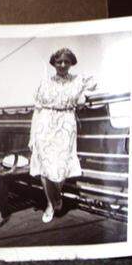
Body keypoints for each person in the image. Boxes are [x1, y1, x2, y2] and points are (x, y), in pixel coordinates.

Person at [28, 48, 98, 223]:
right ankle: (51, 204)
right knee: (45, 167)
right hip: (44, 124)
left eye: (66, 61)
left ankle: (56, 197)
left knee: (60, 166)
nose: (63, 65)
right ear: (53, 63)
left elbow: (94, 84)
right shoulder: (44, 83)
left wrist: (84, 95)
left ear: (71, 63)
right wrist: (32, 135)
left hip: (66, 124)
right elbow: (37, 110)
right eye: (59, 62)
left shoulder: (77, 80)